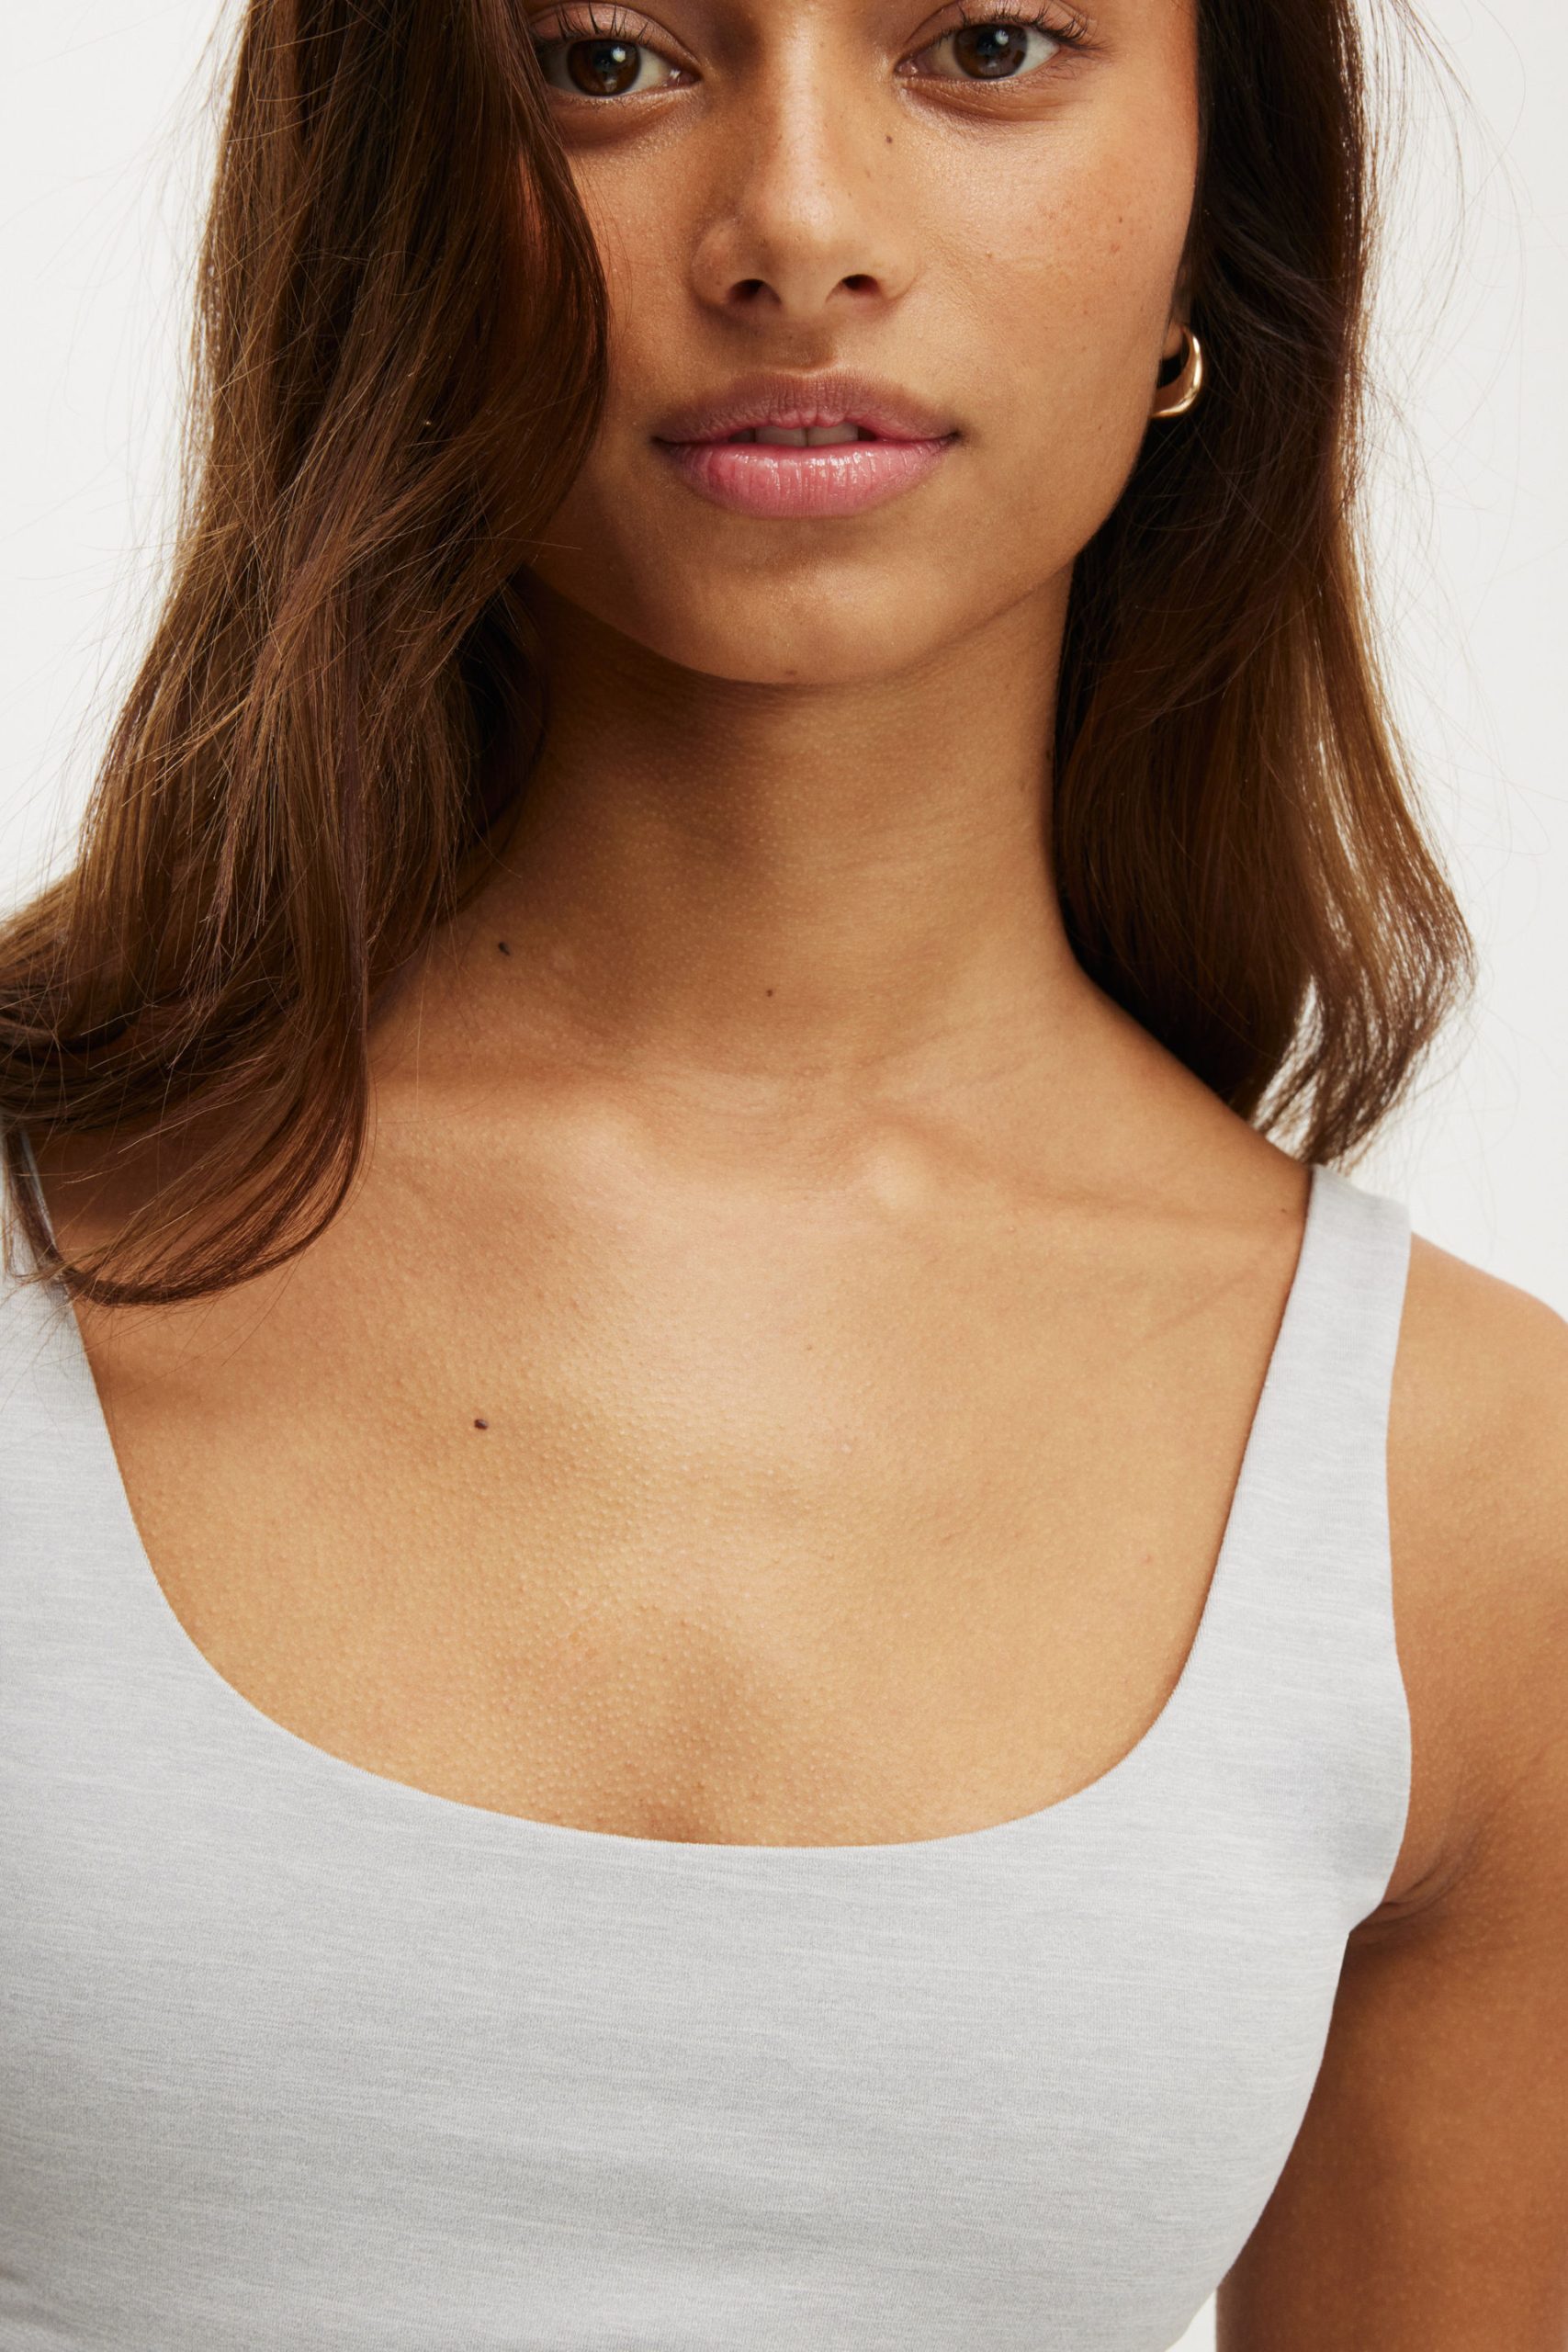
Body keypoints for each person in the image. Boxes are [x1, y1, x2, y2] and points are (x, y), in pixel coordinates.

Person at [0, 0, 1563, 2344]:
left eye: (987, 45)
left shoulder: (1464, 1493)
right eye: (605, 61)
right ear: (382, 200)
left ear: (1211, 229)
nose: (798, 229)